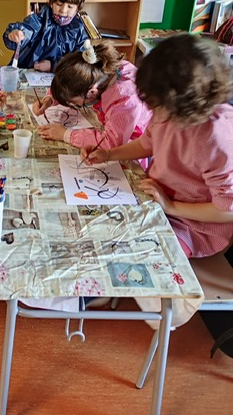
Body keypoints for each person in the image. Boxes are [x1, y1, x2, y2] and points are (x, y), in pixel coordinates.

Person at [82, 34, 233, 260]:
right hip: (158, 200)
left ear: (183, 104)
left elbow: (227, 209)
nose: (152, 111)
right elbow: (147, 143)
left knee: (131, 255)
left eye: (156, 105)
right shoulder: (168, 111)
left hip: (193, 226)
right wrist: (108, 154)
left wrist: (171, 207)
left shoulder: (215, 136)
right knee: (99, 229)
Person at [34, 40, 152, 167]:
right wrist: (50, 99)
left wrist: (65, 134)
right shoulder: (99, 70)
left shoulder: (125, 100)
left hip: (133, 149)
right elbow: (69, 85)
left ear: (91, 93)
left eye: (73, 102)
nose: (71, 104)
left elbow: (110, 143)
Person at [3, 0, 89, 72]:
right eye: (59, 4)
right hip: (27, 72)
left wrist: (53, 65)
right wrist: (14, 34)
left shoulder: (78, 29)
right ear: (51, 3)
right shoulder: (39, 20)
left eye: (70, 7)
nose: (63, 10)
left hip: (61, 76)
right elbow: (27, 29)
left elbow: (81, 60)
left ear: (77, 8)